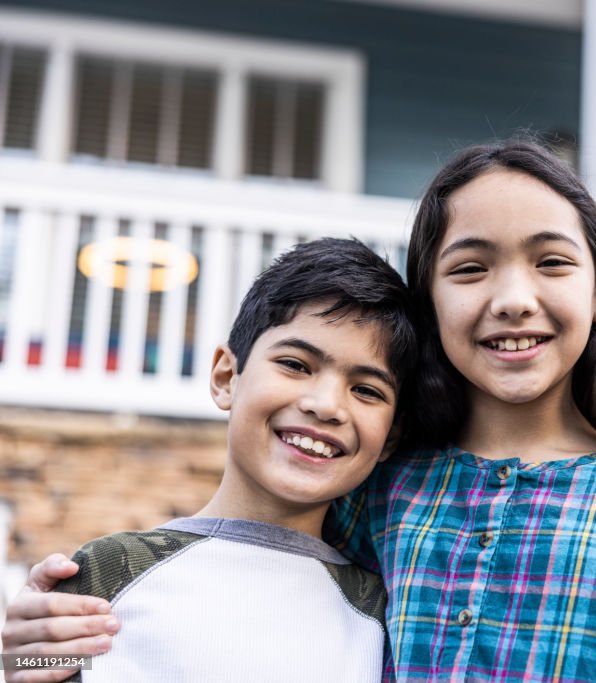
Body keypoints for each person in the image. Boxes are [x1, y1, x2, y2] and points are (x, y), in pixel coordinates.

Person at [4, 141, 596, 681]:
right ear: (429, 300)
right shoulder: (380, 491)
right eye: (470, 268)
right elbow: (240, 597)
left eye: (552, 262)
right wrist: (52, 628)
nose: (512, 298)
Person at [1, 238, 415, 682]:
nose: (326, 404)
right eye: (296, 365)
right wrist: (19, 662)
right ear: (225, 378)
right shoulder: (110, 569)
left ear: (390, 437)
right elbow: (30, 667)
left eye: (367, 390)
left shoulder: (387, 616)